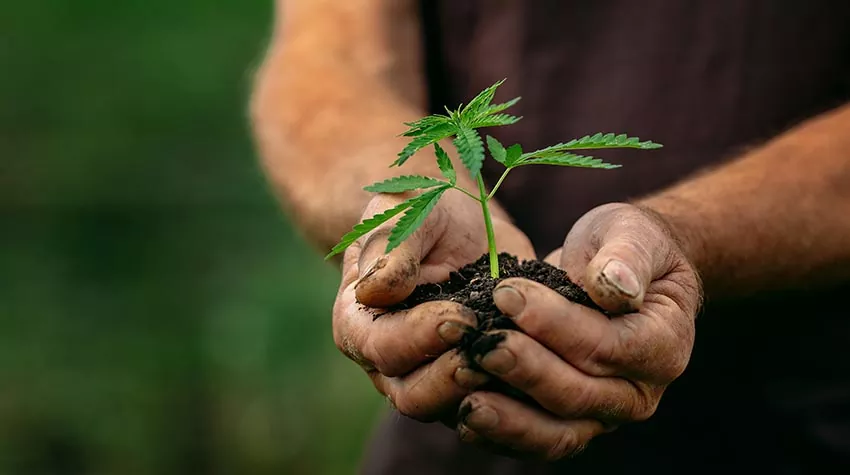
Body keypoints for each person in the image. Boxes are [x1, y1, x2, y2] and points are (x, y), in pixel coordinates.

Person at [250, 1, 850, 472]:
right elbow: (329, 57)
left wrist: (688, 236)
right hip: (456, 443)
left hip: (802, 424)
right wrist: (392, 208)